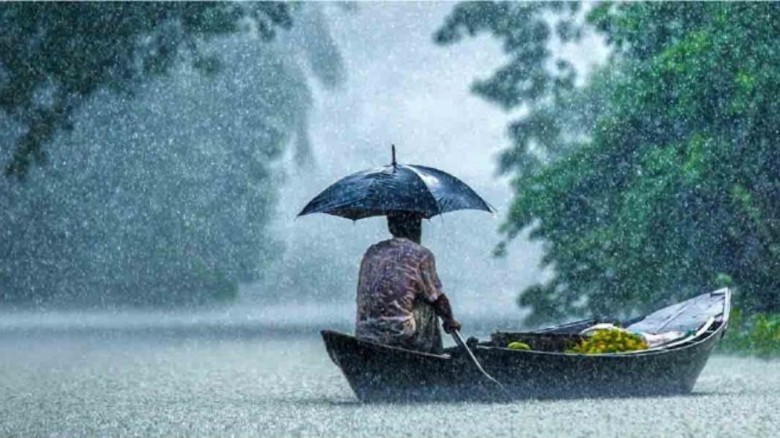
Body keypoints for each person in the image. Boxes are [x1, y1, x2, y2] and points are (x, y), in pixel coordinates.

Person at [355, 211, 462, 354]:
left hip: (365, 333)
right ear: (416, 226)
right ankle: (431, 358)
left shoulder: (372, 252)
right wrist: (450, 321)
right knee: (429, 305)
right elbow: (438, 299)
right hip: (399, 335)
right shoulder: (421, 254)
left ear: (390, 226)